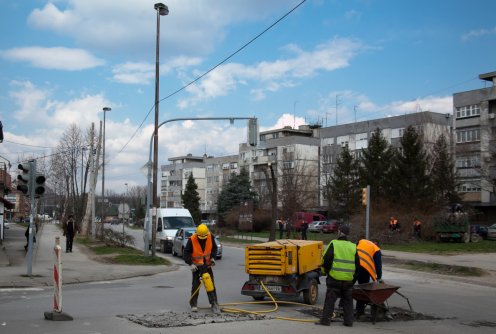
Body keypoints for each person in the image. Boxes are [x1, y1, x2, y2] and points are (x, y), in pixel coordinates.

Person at [316, 224, 359, 327]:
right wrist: (352, 279)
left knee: (330, 300)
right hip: (348, 280)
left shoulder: (334, 244)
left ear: (339, 233)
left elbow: (325, 260)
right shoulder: (353, 246)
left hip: (334, 278)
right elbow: (358, 266)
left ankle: (325, 321)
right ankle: (348, 322)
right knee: (348, 302)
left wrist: (327, 271)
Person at [183, 223, 220, 314]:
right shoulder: (192, 239)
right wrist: (191, 264)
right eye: (200, 237)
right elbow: (186, 253)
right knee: (195, 286)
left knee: (210, 284)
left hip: (207, 265)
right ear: (197, 233)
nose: (202, 239)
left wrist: (213, 258)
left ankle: (214, 303)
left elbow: (214, 248)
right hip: (197, 267)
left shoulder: (210, 236)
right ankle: (193, 305)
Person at [355, 239, 383, 319]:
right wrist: (379, 277)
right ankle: (360, 312)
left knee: (348, 286)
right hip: (364, 269)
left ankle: (342, 305)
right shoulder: (377, 250)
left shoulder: (362, 241)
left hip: (353, 265)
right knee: (363, 289)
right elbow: (378, 265)